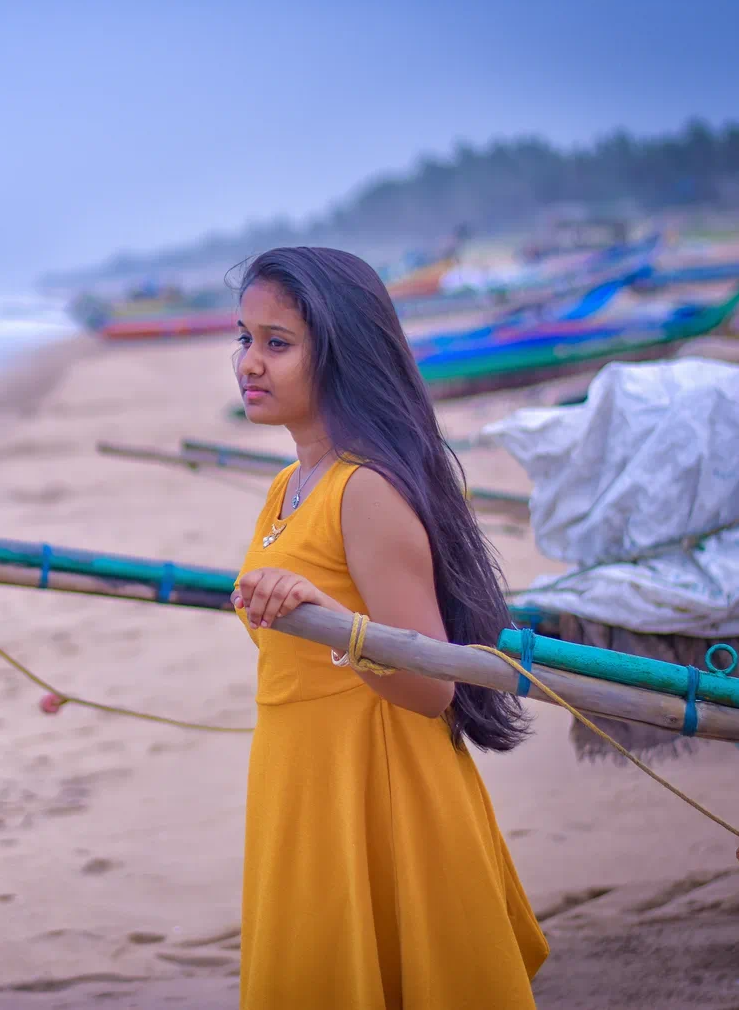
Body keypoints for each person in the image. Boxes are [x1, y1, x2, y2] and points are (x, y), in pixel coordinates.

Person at [228, 246, 548, 1008]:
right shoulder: (286, 486)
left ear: (341, 354)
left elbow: (434, 683)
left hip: (378, 786)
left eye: (278, 342)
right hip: (303, 780)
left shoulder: (363, 489)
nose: (250, 362)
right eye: (244, 338)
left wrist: (333, 623)